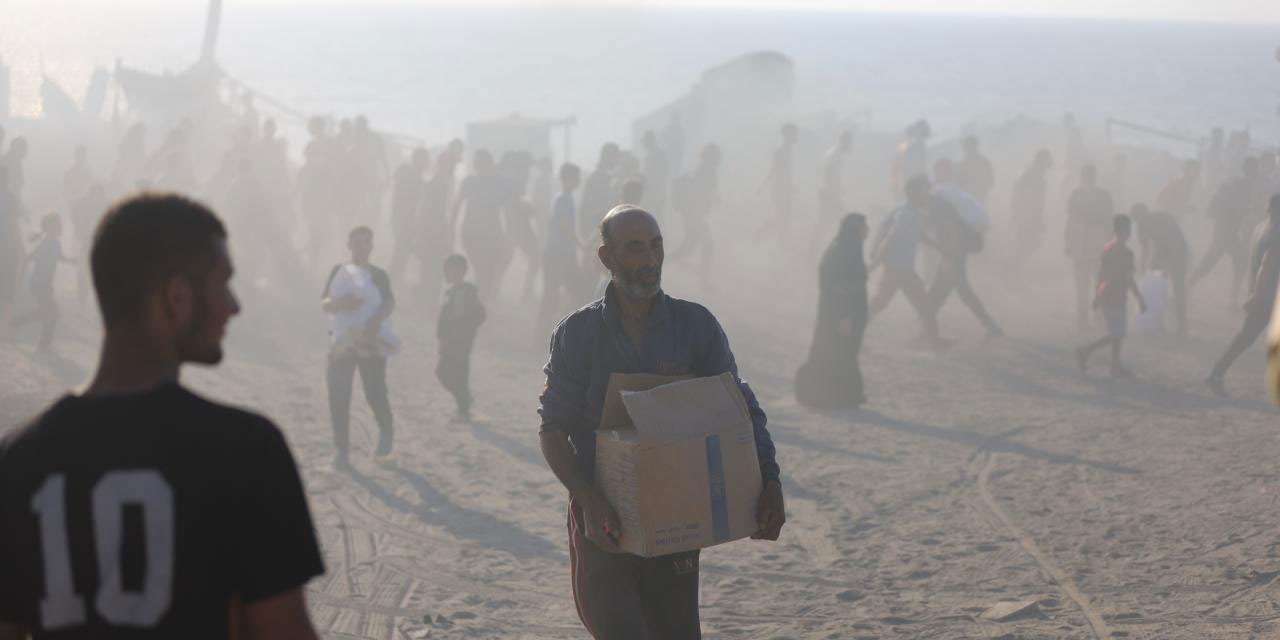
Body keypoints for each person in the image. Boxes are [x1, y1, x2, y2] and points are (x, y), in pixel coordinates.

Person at [0, 194, 324, 639]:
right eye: (223, 284)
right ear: (176, 297)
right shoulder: (245, 449)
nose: (233, 306)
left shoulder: (18, 458)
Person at [538, 205, 784, 639]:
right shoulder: (577, 334)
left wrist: (771, 481)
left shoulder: (696, 326)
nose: (651, 260)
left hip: (677, 514)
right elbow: (552, 429)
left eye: (656, 246)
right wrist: (589, 500)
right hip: (604, 520)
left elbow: (740, 408)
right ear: (607, 257)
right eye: (635, 248)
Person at [322, 226, 398, 468]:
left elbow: (389, 302)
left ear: (372, 245)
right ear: (349, 244)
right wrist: (339, 303)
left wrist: (376, 319)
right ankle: (341, 450)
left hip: (371, 339)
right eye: (358, 241)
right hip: (343, 340)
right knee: (338, 393)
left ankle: (386, 429)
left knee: (374, 391)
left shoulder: (379, 275)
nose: (362, 246)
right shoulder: (339, 271)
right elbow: (325, 302)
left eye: (366, 241)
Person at [1206, 195, 1280, 396]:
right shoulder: (1276, 233)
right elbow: (1267, 265)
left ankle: (1217, 372)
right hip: (1267, 297)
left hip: (1261, 294)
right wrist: (1257, 295)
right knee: (1246, 337)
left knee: (1245, 337)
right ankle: (1217, 372)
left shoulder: (1260, 227)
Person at [796, 213, 869, 409]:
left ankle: (844, 395)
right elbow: (837, 287)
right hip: (841, 314)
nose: (867, 231)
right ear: (855, 229)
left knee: (844, 350)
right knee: (838, 351)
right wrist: (844, 316)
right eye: (864, 227)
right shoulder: (843, 251)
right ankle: (833, 396)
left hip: (845, 312)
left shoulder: (849, 248)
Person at [929, 160, 1003, 339]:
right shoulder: (951, 192)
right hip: (955, 246)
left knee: (957, 288)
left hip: (954, 247)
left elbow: (946, 223)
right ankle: (925, 323)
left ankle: (990, 326)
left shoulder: (941, 194)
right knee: (944, 286)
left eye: (941, 170)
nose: (938, 173)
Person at [869, 175, 945, 349]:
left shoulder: (906, 210)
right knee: (922, 304)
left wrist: (935, 245)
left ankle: (935, 341)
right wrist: (874, 264)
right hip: (899, 269)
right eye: (925, 191)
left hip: (900, 267)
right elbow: (891, 238)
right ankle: (935, 341)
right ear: (914, 192)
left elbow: (915, 233)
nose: (928, 194)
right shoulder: (908, 214)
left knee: (881, 303)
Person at [1076, 214, 1147, 377]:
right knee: (1118, 333)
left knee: (1117, 333)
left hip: (1106, 293)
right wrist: (1140, 298)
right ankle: (1085, 351)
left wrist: (1097, 294)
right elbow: (1128, 279)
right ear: (1126, 230)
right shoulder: (1126, 253)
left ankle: (1115, 365)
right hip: (1117, 295)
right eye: (1129, 229)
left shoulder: (1108, 247)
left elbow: (1101, 273)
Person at [1189, 157, 1260, 305]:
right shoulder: (1244, 185)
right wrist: (1249, 210)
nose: (1256, 172)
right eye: (1255, 168)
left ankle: (1232, 299)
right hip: (1226, 232)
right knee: (1212, 263)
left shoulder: (1234, 182)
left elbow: (1232, 207)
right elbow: (1238, 209)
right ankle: (1186, 289)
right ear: (1251, 170)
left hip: (1225, 231)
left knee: (1231, 262)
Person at [12, 214, 74, 351]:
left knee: (44, 312)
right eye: (58, 225)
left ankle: (15, 323)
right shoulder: (45, 245)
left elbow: (60, 257)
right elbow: (28, 258)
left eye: (60, 225)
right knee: (53, 314)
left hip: (46, 285)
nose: (61, 228)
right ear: (49, 228)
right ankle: (44, 344)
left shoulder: (56, 243)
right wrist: (19, 278)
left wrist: (70, 261)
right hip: (39, 284)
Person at [1065, 165, 1115, 330]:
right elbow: (1070, 219)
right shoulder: (1076, 195)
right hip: (1080, 244)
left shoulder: (1103, 196)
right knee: (1081, 285)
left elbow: (1109, 221)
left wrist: (1110, 243)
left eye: (1091, 176)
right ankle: (1083, 320)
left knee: (1098, 283)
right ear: (1082, 177)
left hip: (1097, 244)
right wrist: (1068, 242)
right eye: (1086, 176)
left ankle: (1098, 317)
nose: (1089, 179)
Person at [437, 254, 486, 422]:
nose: (445, 273)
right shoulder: (452, 292)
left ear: (460, 271)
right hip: (451, 341)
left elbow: (479, 315)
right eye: (445, 270)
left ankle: (463, 408)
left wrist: (463, 332)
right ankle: (464, 403)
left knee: (456, 374)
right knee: (444, 372)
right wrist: (442, 337)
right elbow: (445, 319)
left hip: (460, 343)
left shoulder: (467, 292)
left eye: (448, 270)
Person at [538, 163, 584, 339]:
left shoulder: (564, 198)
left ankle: (550, 330)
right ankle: (546, 332)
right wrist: (580, 245)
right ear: (568, 179)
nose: (578, 181)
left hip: (559, 252)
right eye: (576, 177)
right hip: (558, 253)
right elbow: (566, 228)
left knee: (558, 292)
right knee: (554, 293)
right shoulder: (564, 200)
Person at [1131, 204, 1190, 336]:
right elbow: (1148, 247)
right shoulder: (1162, 216)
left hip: (1175, 253)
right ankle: (1165, 324)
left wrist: (1144, 269)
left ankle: (1175, 325)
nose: (1140, 222)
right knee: (1165, 288)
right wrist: (1145, 268)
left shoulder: (1153, 220)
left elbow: (1147, 248)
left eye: (1139, 219)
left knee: (1172, 289)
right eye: (1138, 220)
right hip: (1173, 252)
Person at [670, 144, 721, 284]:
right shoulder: (706, 170)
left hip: (692, 213)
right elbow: (702, 193)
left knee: (687, 247)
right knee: (707, 245)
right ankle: (704, 280)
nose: (719, 159)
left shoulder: (701, 169)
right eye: (716, 156)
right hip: (694, 214)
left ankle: (663, 263)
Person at [388, 148, 429, 283]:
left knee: (402, 249)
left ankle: (394, 277)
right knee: (402, 248)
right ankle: (393, 278)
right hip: (402, 217)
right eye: (424, 159)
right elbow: (399, 190)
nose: (426, 163)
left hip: (407, 218)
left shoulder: (417, 177)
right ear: (417, 159)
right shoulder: (407, 171)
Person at [1009, 149, 1053, 268]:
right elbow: (1022, 197)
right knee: (1027, 243)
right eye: (1046, 161)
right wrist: (1022, 215)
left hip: (1030, 216)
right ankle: (1013, 267)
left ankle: (1014, 266)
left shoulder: (1035, 176)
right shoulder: (1030, 175)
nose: (1048, 165)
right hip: (1026, 216)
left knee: (1030, 243)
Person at [757, 123, 798, 246]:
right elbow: (774, 170)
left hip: (784, 189)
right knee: (782, 217)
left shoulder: (786, 150)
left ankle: (780, 240)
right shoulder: (780, 151)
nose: (796, 137)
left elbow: (785, 171)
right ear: (787, 135)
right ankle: (764, 232)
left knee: (783, 218)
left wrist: (791, 185)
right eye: (794, 134)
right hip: (779, 190)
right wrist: (762, 185)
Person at [811, 130, 852, 250]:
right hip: (829, 194)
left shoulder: (835, 153)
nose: (851, 145)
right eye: (849, 142)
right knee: (838, 222)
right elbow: (827, 172)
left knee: (826, 223)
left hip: (830, 193)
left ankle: (814, 249)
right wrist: (833, 189)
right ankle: (815, 249)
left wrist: (838, 188)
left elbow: (827, 172)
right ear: (844, 141)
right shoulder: (835, 154)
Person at [0, 167, 22, 324]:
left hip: (8, 246)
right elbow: (13, 225)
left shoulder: (10, 198)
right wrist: (20, 246)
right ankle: (6, 326)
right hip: (8, 246)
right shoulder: (10, 199)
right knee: (7, 287)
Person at [892, 119, 931, 197]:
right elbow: (910, 166)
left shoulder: (917, 146)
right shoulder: (916, 146)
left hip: (913, 181)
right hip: (913, 182)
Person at [957, 135, 995, 206]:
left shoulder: (983, 162)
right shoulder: (963, 164)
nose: (965, 149)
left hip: (979, 197)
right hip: (968, 199)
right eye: (966, 147)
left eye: (968, 146)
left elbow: (990, 181)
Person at [641, 131, 669, 221]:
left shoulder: (657, 156)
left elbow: (661, 176)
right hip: (653, 191)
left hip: (655, 191)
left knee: (656, 215)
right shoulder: (655, 155)